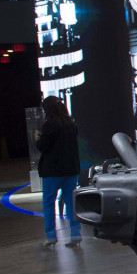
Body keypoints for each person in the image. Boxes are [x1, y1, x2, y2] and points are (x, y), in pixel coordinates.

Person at [33, 95, 82, 247]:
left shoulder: (50, 125)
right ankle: (75, 234)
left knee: (48, 203)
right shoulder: (71, 124)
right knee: (70, 203)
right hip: (71, 170)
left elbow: (43, 146)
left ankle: (51, 236)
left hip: (52, 171)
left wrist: (37, 139)